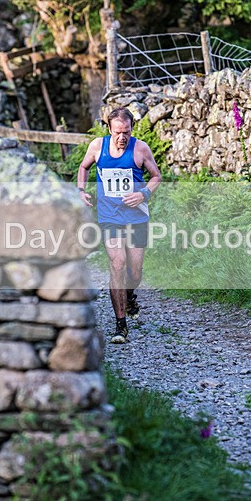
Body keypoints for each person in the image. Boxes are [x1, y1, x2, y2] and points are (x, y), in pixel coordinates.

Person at [77, 107, 162, 344]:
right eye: (117, 132)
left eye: (126, 131)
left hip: (136, 217)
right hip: (109, 217)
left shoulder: (140, 148)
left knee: (134, 272)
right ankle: (120, 324)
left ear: (131, 129)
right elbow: (83, 167)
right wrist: (81, 190)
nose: (122, 137)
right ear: (109, 129)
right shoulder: (97, 146)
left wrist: (143, 194)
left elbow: (156, 176)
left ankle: (130, 295)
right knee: (117, 263)